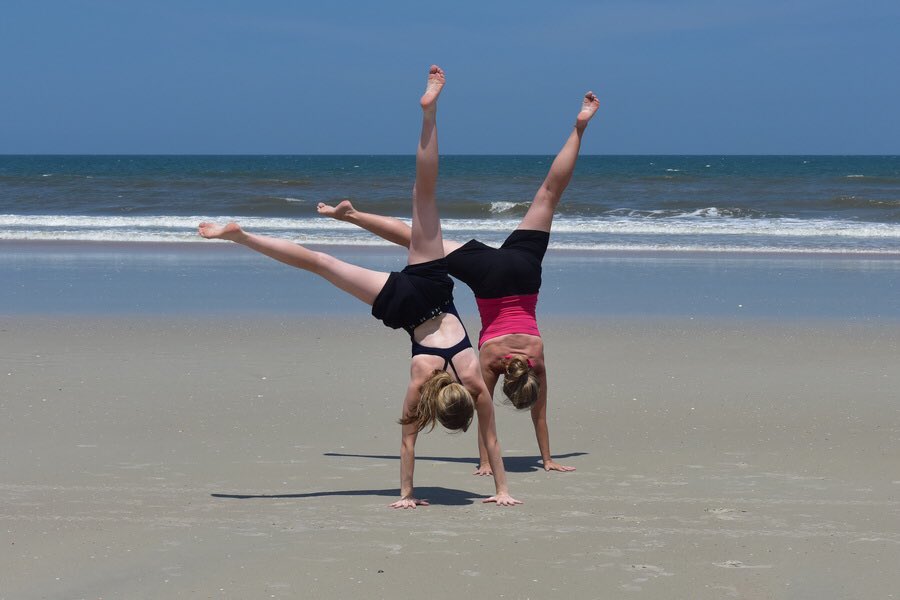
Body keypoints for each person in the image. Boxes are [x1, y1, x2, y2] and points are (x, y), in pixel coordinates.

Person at [199, 66, 520, 508]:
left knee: (424, 195)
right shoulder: (421, 379)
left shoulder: (473, 380)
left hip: (434, 288)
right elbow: (408, 445)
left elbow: (491, 440)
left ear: (463, 396)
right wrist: (407, 495)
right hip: (404, 306)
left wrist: (504, 488)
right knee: (320, 263)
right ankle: (241, 237)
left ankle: (429, 115)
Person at [317, 90, 600, 475]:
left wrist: (526, 458)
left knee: (549, 195)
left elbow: (534, 416)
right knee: (416, 240)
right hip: (489, 279)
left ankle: (579, 127)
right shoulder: (490, 359)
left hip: (523, 270)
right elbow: (488, 411)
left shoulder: (537, 357)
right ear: (511, 385)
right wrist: (523, 462)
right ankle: (351, 217)